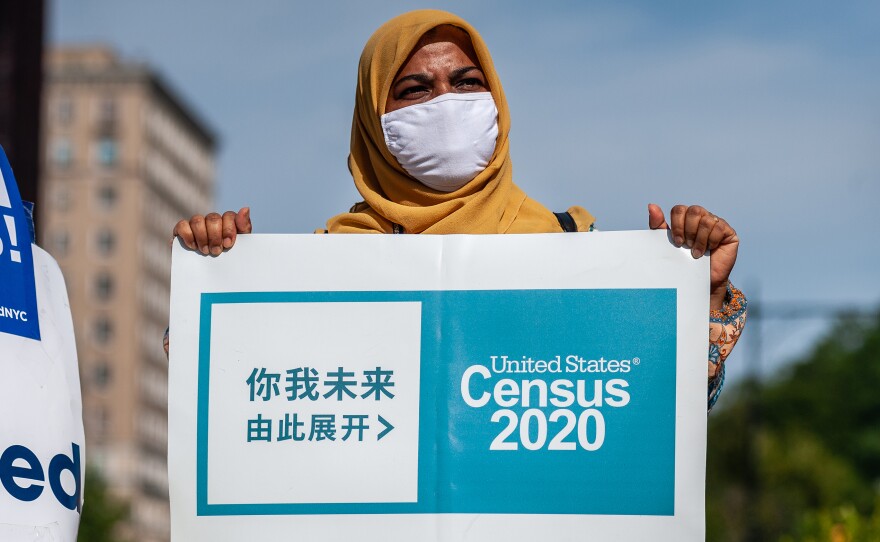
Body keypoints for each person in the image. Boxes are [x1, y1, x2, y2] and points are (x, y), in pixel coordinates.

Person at [170, 9, 746, 409]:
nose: (446, 103)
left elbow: (654, 414)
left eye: (467, 82)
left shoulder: (573, 244)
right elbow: (232, 406)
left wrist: (698, 299)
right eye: (415, 90)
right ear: (373, 118)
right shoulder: (327, 261)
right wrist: (216, 279)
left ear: (496, 100)